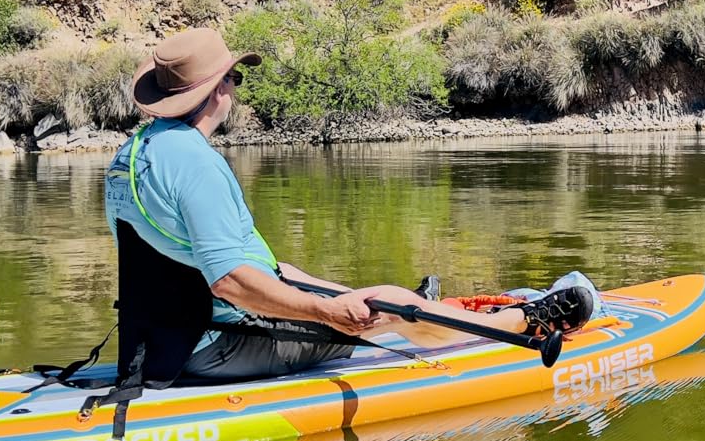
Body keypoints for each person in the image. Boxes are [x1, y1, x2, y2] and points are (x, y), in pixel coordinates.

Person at [105, 27, 594, 388]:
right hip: (218, 345)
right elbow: (230, 282)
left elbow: (207, 263)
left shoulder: (131, 156)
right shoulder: (196, 164)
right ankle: (529, 322)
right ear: (218, 90)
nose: (235, 87)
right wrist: (326, 311)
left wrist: (324, 292)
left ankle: (422, 309)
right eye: (233, 78)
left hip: (161, 344)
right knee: (388, 303)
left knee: (343, 289)